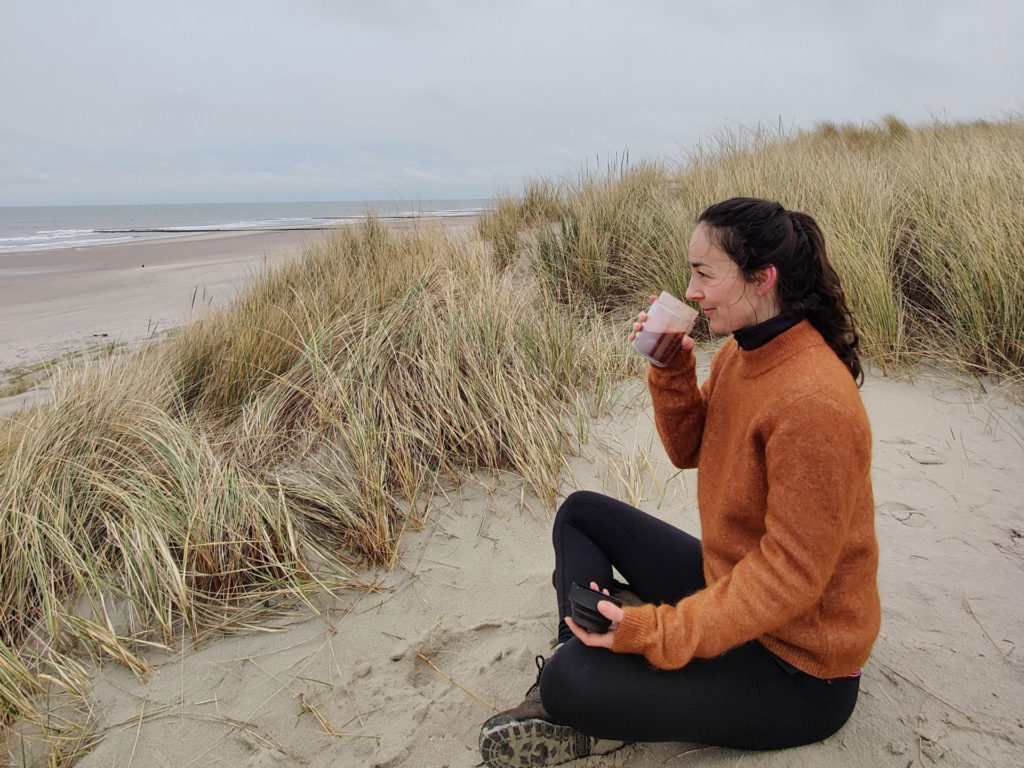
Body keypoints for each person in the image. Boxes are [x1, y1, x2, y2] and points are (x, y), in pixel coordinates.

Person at [478, 197, 880, 767]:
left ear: (762, 278)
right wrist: (671, 370)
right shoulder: (745, 357)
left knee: (570, 681)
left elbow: (790, 578)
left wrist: (655, 632)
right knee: (580, 513)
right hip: (731, 583)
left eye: (703, 274)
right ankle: (592, 649)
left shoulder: (813, 401)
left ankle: (581, 693)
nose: (690, 290)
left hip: (796, 668)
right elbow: (690, 449)